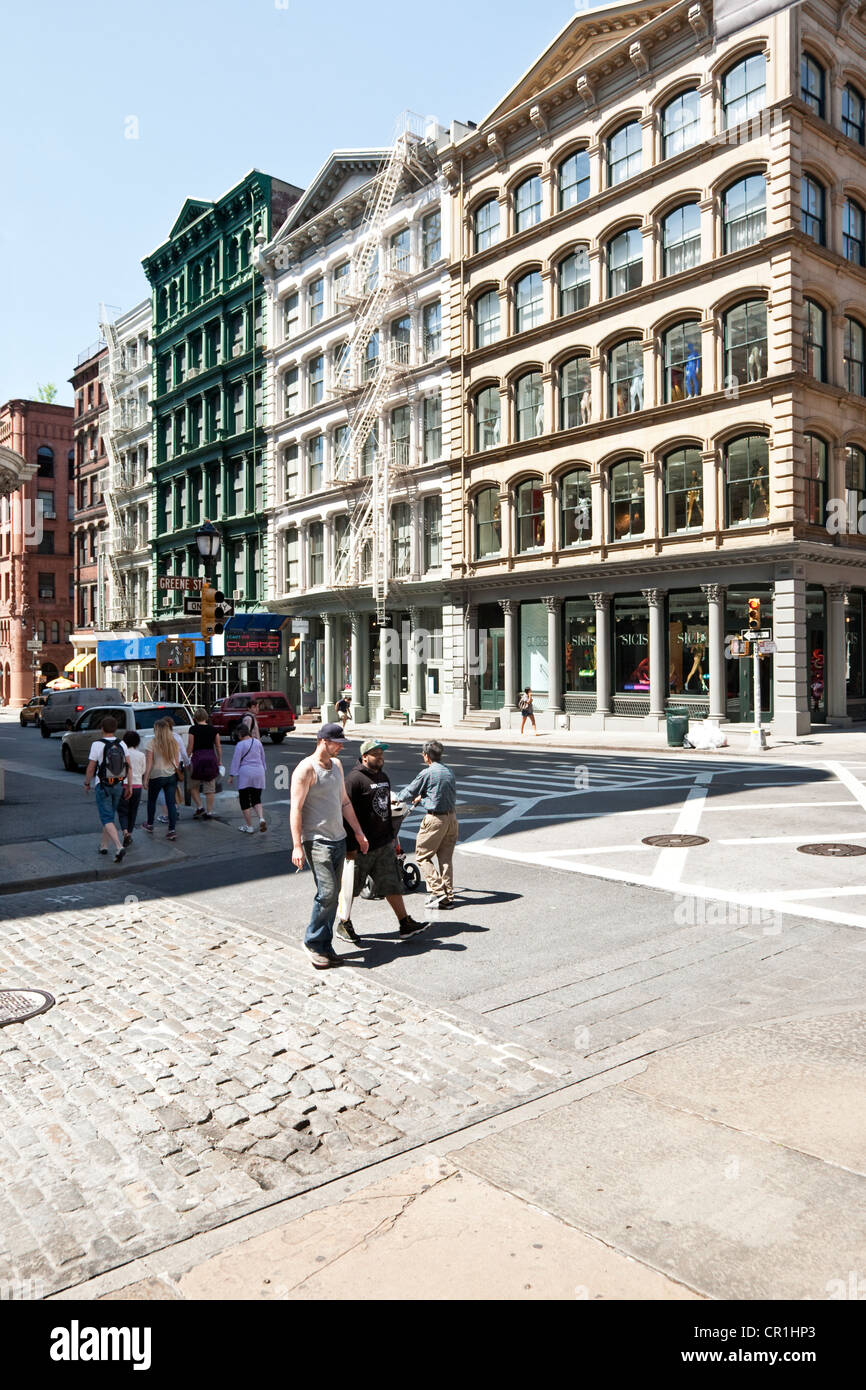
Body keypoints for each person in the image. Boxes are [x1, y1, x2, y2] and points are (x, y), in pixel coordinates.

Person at [289, 723, 370, 970]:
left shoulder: (336, 765)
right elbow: (296, 808)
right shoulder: (306, 769)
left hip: (338, 838)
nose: (341, 747)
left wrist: (357, 832)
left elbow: (344, 801)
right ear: (323, 741)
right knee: (327, 892)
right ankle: (313, 941)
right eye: (337, 743)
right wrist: (297, 845)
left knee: (332, 895)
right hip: (316, 841)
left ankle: (324, 944)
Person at [335, 739, 426, 945]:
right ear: (364, 756)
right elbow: (344, 812)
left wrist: (392, 836)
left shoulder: (383, 777)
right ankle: (344, 923)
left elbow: (384, 809)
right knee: (350, 888)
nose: (381, 757)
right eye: (376, 754)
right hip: (361, 847)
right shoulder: (353, 780)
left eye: (382, 754)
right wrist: (351, 845)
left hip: (383, 843)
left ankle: (405, 923)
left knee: (392, 883)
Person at [397, 740, 458, 910]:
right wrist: (424, 798)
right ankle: (448, 898)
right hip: (451, 819)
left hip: (435, 820)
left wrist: (394, 799)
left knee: (423, 856)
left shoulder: (428, 772)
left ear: (426, 756)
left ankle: (438, 892)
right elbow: (440, 793)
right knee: (445, 860)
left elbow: (409, 791)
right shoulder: (448, 771)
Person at [83, 714, 131, 863]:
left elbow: (91, 767)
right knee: (109, 815)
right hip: (118, 784)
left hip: (103, 785)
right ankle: (104, 845)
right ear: (115, 729)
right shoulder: (122, 744)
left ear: (102, 728)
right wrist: (128, 785)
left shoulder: (97, 744)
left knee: (106, 817)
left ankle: (118, 847)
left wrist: (87, 783)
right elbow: (129, 766)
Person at [142, 718, 182, 839]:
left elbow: (149, 764)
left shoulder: (151, 743)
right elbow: (177, 762)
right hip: (170, 775)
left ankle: (149, 824)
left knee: (152, 801)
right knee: (171, 803)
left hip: (156, 775)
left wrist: (145, 779)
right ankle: (172, 829)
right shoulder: (174, 742)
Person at [229, 715, 267, 833]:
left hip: (245, 773)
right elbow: (263, 758)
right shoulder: (257, 742)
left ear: (240, 734)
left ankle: (249, 826)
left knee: (244, 800)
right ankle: (261, 818)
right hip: (259, 772)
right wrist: (263, 769)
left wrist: (231, 776)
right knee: (256, 799)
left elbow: (236, 761)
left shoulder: (240, 745)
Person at [187, 707, 222, 820]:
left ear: (195, 718)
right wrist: (219, 760)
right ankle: (209, 811)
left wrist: (186, 759)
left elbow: (190, 747)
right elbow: (218, 746)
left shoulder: (193, 729)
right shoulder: (213, 730)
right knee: (210, 787)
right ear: (206, 717)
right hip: (211, 758)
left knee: (193, 785)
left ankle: (200, 806)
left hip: (197, 758)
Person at [118, 729, 145, 847]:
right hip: (137, 785)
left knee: (123, 811)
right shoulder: (141, 755)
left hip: (123, 785)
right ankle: (130, 832)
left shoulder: (121, 753)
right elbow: (143, 770)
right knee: (133, 811)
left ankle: (124, 831)